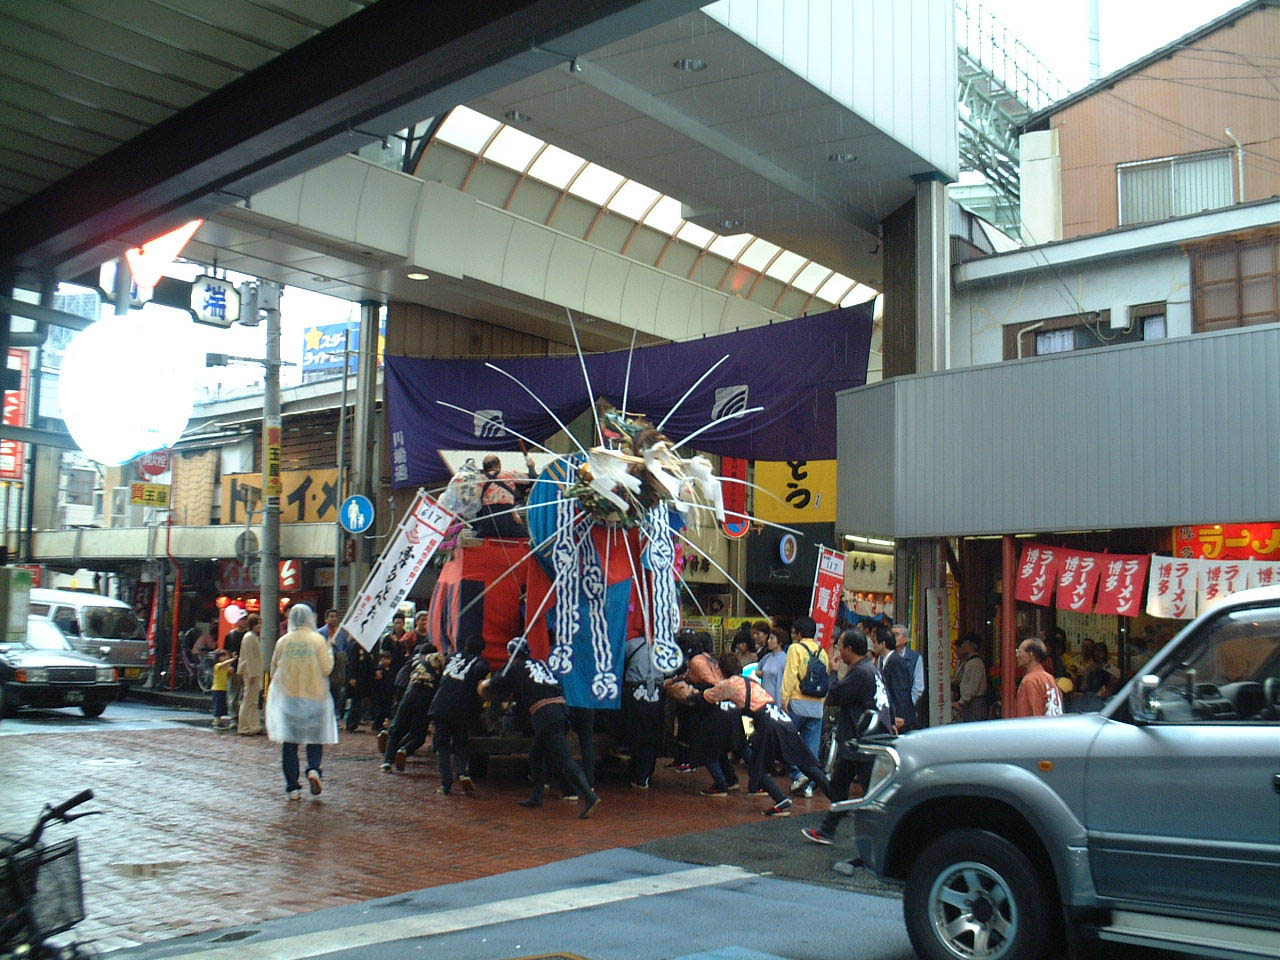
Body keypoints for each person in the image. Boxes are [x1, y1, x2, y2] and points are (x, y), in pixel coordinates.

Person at [479, 638, 600, 818]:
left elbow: (495, 684)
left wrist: (483, 684)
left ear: (511, 654)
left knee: (565, 759)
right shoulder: (541, 664)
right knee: (536, 755)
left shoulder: (514, 667)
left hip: (546, 715)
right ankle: (537, 797)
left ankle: (589, 796)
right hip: (561, 710)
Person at [801, 627, 893, 847]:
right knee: (840, 786)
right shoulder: (871, 669)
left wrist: (833, 672)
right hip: (866, 739)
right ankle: (827, 830)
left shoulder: (860, 672)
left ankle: (884, 840)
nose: (838, 651)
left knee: (872, 794)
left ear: (849, 649)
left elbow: (834, 696)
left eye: (840, 646)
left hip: (863, 741)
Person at [704, 661, 832, 817]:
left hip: (767, 723)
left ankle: (781, 800)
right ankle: (837, 798)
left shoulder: (730, 683)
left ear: (722, 671)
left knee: (757, 767)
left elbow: (708, 696)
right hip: (782, 718)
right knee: (804, 762)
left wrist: (689, 691)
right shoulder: (751, 681)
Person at [265, 604, 337, 799]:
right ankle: (313, 768)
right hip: (314, 698)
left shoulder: (283, 641)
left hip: (289, 699)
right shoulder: (318, 640)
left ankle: (293, 788)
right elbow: (326, 669)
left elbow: (274, 669)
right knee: (314, 738)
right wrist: (330, 652)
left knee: (289, 744)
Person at [428, 635, 490, 794]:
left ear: (466, 645)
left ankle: (446, 783)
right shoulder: (482, 664)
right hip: (462, 707)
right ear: (482, 649)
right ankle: (463, 772)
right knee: (461, 742)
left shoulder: (452, 656)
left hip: (441, 704)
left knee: (442, 745)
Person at [620, 634, 678, 789]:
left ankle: (639, 772)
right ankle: (645, 773)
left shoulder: (631, 644)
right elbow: (670, 672)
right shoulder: (664, 647)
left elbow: (620, 666)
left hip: (634, 692)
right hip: (656, 693)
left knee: (636, 731)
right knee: (652, 733)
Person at [781, 615, 828, 797]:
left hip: (798, 702)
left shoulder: (796, 648)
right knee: (812, 746)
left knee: (791, 741)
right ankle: (810, 783)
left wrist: (784, 698)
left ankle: (798, 775)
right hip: (816, 705)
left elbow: (791, 674)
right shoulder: (822, 652)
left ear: (799, 633)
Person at [381, 643, 445, 772]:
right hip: (426, 697)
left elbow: (402, 678)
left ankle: (387, 762)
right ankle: (404, 750)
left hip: (409, 693)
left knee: (397, 730)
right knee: (419, 734)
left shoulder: (415, 660)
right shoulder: (439, 661)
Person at [1013, 637, 1064, 718]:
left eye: (1019, 651)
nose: (1017, 655)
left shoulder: (1030, 680)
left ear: (1030, 655)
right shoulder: (1050, 678)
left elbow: (1034, 716)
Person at [875, 625, 914, 732]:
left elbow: (901, 690)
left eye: (876, 642)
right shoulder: (884, 660)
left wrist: (900, 715)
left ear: (883, 644)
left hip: (901, 719)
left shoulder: (896, 661)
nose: (874, 645)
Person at [891, 624, 925, 726]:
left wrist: (908, 706)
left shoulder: (915, 657)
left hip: (907, 712)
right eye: (891, 635)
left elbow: (918, 687)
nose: (893, 638)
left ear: (905, 639)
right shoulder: (885, 656)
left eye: (896, 635)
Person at [236, 615, 264, 735]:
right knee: (248, 700)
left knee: (253, 701)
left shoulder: (252, 637)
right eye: (258, 624)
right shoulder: (249, 637)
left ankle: (253, 725)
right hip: (251, 672)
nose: (260, 626)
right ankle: (245, 727)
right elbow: (249, 657)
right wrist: (252, 674)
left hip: (254, 672)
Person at [953, 633, 989, 723]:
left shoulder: (975, 663)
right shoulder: (967, 662)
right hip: (969, 703)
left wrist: (961, 702)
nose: (963, 646)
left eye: (965, 643)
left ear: (972, 645)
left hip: (974, 704)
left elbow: (972, 687)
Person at [344, 642, 374, 731]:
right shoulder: (355, 646)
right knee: (355, 702)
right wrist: (352, 677)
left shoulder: (366, 647)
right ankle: (351, 724)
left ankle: (355, 723)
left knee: (358, 702)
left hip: (362, 679)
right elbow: (352, 662)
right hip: (356, 678)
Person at [756, 627, 788, 707]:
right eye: (769, 638)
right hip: (763, 699)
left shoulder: (785, 659)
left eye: (772, 638)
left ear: (780, 642)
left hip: (776, 701)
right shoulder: (767, 657)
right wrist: (759, 673)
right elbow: (758, 668)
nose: (768, 641)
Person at [210, 648, 237, 729]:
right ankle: (216, 721)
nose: (225, 658)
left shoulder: (225, 668)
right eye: (223, 656)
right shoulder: (217, 666)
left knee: (222, 706)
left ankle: (219, 720)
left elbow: (230, 674)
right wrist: (233, 659)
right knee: (218, 706)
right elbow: (224, 664)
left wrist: (230, 669)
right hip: (217, 689)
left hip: (223, 689)